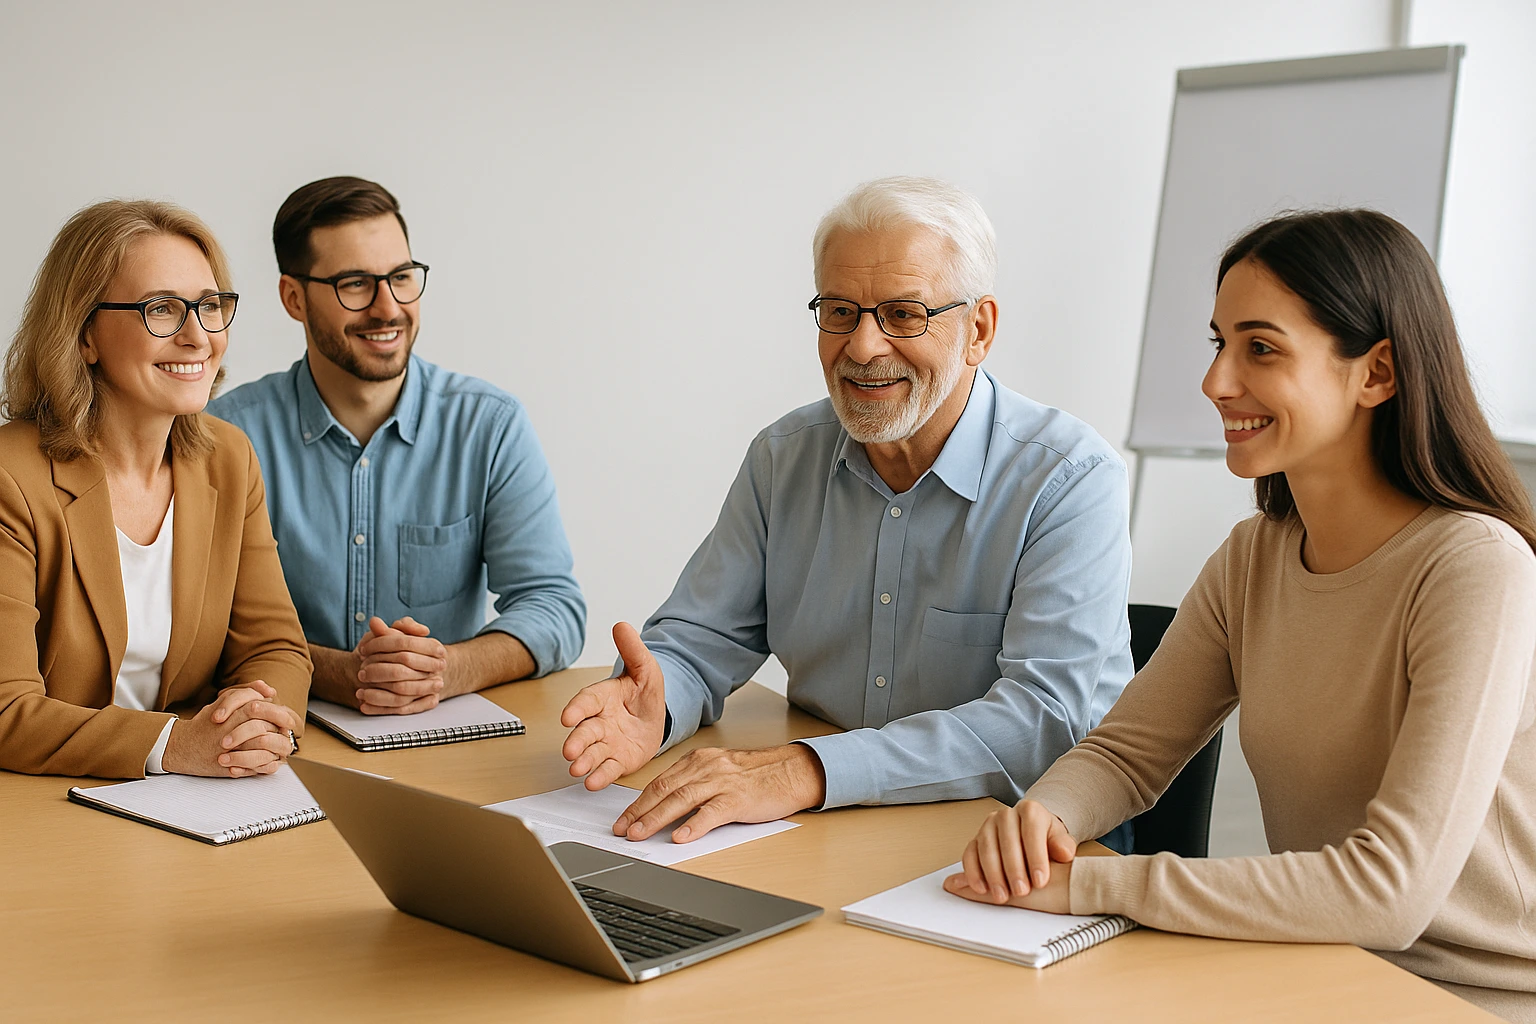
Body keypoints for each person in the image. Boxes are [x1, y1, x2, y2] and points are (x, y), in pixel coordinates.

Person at [946, 209, 1536, 1023]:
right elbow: (1127, 755)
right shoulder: (1253, 556)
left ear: (1378, 374)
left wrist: (1088, 885)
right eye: (1219, 342)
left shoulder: (1477, 567)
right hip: (1323, 974)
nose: (1216, 381)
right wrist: (1041, 821)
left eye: (1260, 348)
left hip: (1475, 999)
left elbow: (1390, 892)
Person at [560, 176, 1134, 846]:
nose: (861, 348)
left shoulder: (1068, 479)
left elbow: (1040, 723)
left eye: (903, 315)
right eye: (839, 312)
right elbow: (700, 641)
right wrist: (656, 709)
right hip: (826, 828)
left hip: (1018, 842)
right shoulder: (783, 459)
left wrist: (809, 771)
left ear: (978, 330)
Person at [210, 177, 586, 716]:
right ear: (293, 298)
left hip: (443, 735)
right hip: (279, 742)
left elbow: (554, 606)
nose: (388, 308)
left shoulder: (489, 425)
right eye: (355, 284)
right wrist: (338, 675)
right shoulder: (225, 436)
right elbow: (199, 629)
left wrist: (446, 670)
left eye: (402, 278)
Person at [0, 199, 311, 779]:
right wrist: (173, 745)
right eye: (161, 309)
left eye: (210, 305)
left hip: (196, 802)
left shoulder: (229, 458)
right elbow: (6, 711)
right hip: (36, 814)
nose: (197, 337)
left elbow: (275, 649)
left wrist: (260, 723)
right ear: (84, 334)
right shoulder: (9, 477)